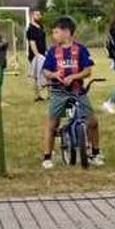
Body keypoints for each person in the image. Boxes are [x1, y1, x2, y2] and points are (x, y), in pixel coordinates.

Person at [40, 16, 103, 170]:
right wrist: (54, 75)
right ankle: (47, 156)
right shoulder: (52, 51)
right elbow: (46, 71)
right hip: (58, 92)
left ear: (67, 32)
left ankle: (95, 152)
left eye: (56, 32)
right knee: (52, 123)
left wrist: (74, 77)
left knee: (92, 122)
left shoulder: (81, 50)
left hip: (77, 91)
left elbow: (87, 70)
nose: (54, 36)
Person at [26, 10, 48, 102]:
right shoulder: (31, 29)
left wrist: (45, 52)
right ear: (32, 15)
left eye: (40, 14)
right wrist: (37, 55)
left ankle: (47, 93)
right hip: (35, 55)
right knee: (36, 75)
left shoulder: (41, 27)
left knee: (46, 73)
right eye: (37, 14)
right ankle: (37, 95)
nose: (39, 16)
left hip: (43, 53)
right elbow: (32, 42)